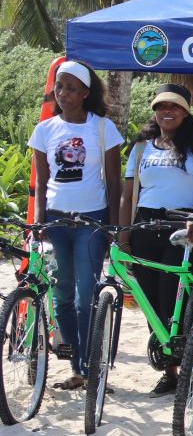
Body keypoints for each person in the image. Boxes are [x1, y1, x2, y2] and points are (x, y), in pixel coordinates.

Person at [119, 84, 193, 397]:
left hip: (183, 230)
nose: (167, 111)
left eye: (175, 106)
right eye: (161, 106)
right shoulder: (141, 147)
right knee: (151, 303)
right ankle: (170, 372)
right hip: (145, 229)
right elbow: (127, 195)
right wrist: (124, 239)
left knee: (175, 299)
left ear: (186, 110)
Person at [28, 61, 122, 391]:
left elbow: (113, 181)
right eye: (58, 86)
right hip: (55, 221)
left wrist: (113, 228)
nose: (63, 93)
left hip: (90, 223)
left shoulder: (103, 128)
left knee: (86, 297)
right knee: (61, 297)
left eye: (70, 87)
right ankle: (75, 366)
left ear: (85, 92)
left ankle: (91, 366)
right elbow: (41, 182)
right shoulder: (44, 130)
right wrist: (40, 219)